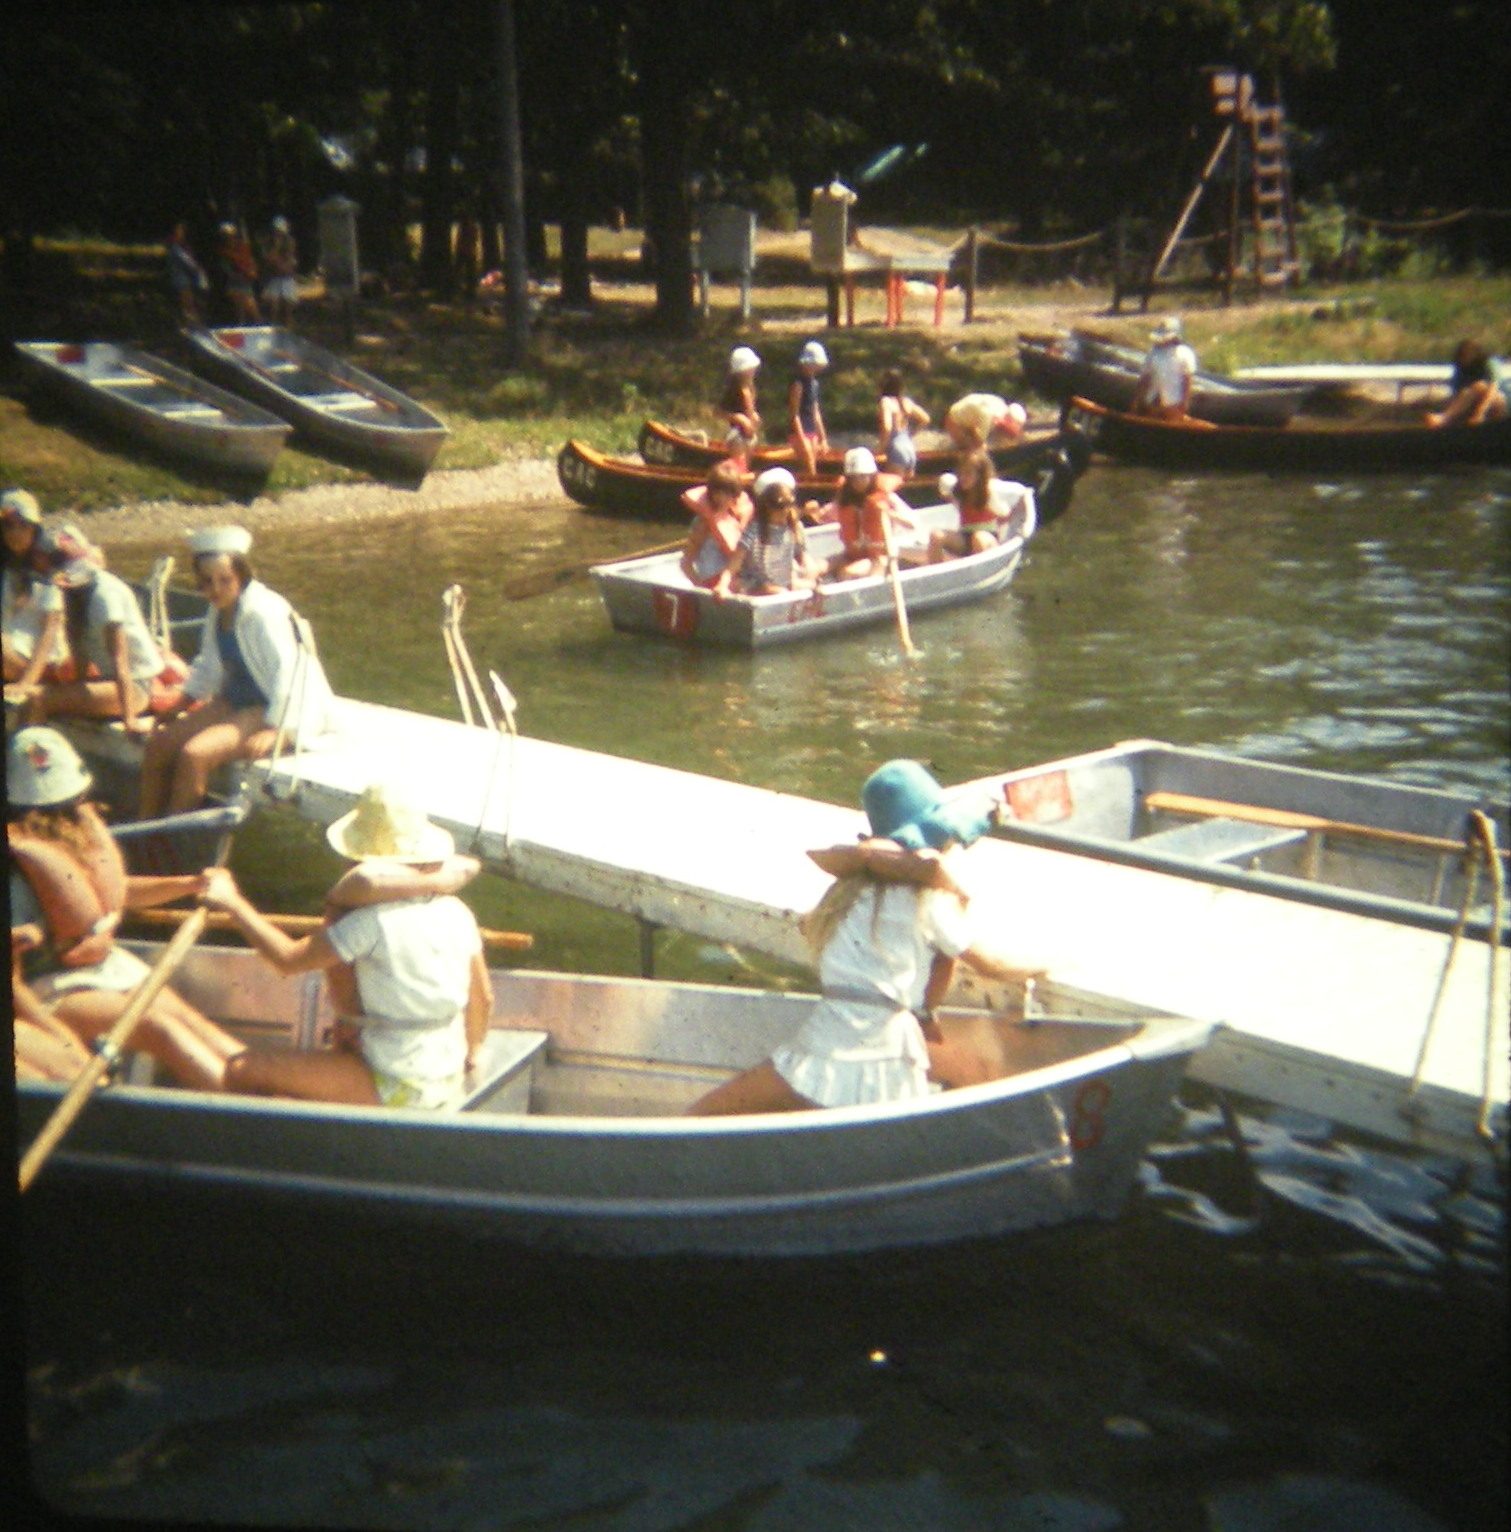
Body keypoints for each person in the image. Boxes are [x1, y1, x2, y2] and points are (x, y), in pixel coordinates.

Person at [689, 759, 1041, 1114]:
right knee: (983, 1078)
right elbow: (993, 964)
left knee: (704, 1112)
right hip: (885, 1048)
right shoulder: (929, 902)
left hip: (823, 1039)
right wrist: (1046, 964)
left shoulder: (846, 894)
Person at [199, 783, 494, 1109]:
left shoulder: (369, 923)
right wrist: (474, 1051)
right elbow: (483, 998)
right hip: (442, 1074)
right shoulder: (456, 912)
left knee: (243, 1070)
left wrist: (231, 902)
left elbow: (286, 960)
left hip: (395, 1081)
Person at [7, 726, 248, 1091]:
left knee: (184, 1017)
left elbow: (108, 899)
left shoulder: (77, 831)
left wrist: (188, 884)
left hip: (101, 968)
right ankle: (252, 1117)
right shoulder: (16, 865)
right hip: (46, 990)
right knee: (160, 1027)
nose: (65, 811)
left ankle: (264, 1090)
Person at [138, 524, 335, 818]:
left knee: (195, 755)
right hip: (233, 700)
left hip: (269, 707)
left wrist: (279, 733)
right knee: (160, 746)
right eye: (206, 582)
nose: (215, 589)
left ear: (241, 576)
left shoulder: (262, 614)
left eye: (224, 580)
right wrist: (179, 704)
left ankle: (177, 842)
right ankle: (145, 831)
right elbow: (208, 665)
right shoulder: (218, 611)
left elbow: (291, 673)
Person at [18, 525, 178, 735]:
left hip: (135, 687)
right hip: (107, 681)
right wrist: (78, 692)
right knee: (29, 697)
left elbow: (121, 662)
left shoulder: (104, 597)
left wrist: (130, 720)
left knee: (37, 698)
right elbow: (80, 652)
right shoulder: (74, 596)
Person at [929, 395, 1027, 562]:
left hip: (986, 538)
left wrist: (1018, 523)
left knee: (978, 539)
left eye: (969, 474)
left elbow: (1008, 510)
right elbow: (945, 486)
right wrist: (948, 494)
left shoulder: (987, 494)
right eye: (962, 473)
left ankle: (979, 570)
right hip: (965, 537)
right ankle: (935, 572)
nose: (964, 478)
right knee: (936, 535)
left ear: (979, 476)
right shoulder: (959, 490)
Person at [818, 447, 917, 581]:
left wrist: (889, 513)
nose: (859, 481)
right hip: (852, 554)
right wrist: (817, 512)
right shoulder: (844, 500)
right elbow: (824, 517)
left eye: (863, 476)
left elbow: (912, 524)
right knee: (816, 568)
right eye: (854, 478)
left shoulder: (886, 498)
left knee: (847, 572)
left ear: (872, 476)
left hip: (878, 557)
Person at [715, 467, 816, 598]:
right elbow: (734, 564)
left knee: (813, 586)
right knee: (781, 593)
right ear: (766, 506)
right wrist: (722, 585)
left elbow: (803, 556)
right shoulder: (754, 530)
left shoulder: (794, 528)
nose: (785, 510)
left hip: (784, 582)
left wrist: (809, 570)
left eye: (789, 503)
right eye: (779, 505)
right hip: (755, 585)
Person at [2, 488, 67, 690]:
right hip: (11, 645)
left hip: (41, 656)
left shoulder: (47, 567)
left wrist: (27, 682)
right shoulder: (7, 567)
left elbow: (50, 629)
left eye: (23, 526)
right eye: (8, 526)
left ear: (34, 529)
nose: (15, 533)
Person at [678, 460, 754, 589]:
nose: (722, 498)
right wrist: (700, 587)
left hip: (732, 576)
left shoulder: (736, 517)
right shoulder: (704, 523)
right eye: (718, 492)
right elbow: (686, 564)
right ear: (711, 493)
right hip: (712, 579)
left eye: (728, 493)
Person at [1425, 339, 1509, 429]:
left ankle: (1444, 418)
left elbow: (1493, 388)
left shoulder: (1489, 362)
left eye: (1465, 355)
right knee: (1470, 390)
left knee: (1479, 386)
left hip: (1500, 401)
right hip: (1473, 402)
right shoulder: (1461, 368)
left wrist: (1480, 412)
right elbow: (1458, 392)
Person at [1131, 316, 1197, 420]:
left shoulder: (1185, 353)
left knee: (1172, 419)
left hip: (1173, 403)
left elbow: (1187, 380)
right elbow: (1145, 378)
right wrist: (1137, 401)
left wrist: (1185, 403)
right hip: (1152, 401)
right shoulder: (1153, 353)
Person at [787, 340, 830, 476]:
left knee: (814, 465)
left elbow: (815, 412)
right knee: (809, 467)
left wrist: (823, 438)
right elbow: (794, 414)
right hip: (799, 431)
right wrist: (801, 438)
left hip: (811, 429)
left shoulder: (814, 384)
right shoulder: (798, 384)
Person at [877, 369, 931, 477]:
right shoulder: (906, 402)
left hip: (896, 449)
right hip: (909, 447)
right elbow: (925, 419)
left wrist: (881, 449)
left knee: (894, 488)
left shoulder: (886, 402)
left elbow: (887, 428)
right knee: (908, 491)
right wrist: (910, 434)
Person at [716, 346, 763, 461]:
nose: (752, 370)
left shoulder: (750, 388)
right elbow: (718, 412)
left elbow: (750, 408)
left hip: (749, 435)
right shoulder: (734, 390)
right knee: (739, 464)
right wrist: (739, 418)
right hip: (737, 436)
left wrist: (754, 416)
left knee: (746, 464)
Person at [166, 222, 210, 325]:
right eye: (179, 230)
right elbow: (186, 261)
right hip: (180, 278)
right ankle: (191, 323)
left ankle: (193, 322)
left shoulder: (183, 245)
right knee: (187, 301)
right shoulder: (174, 246)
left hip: (187, 278)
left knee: (191, 301)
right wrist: (197, 269)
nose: (181, 232)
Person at [217, 221, 261, 323]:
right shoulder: (224, 253)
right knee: (240, 309)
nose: (230, 239)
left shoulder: (243, 248)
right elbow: (228, 272)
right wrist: (244, 274)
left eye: (232, 236)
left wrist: (252, 271)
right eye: (227, 236)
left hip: (246, 284)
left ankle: (258, 328)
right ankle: (241, 326)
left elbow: (251, 262)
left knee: (253, 310)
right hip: (234, 285)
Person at [259, 214, 299, 326]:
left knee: (288, 306)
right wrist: (276, 246)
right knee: (273, 306)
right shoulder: (268, 244)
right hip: (274, 278)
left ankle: (289, 328)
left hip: (286, 278)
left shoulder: (290, 241)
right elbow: (269, 259)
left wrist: (282, 263)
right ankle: (273, 327)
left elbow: (289, 261)